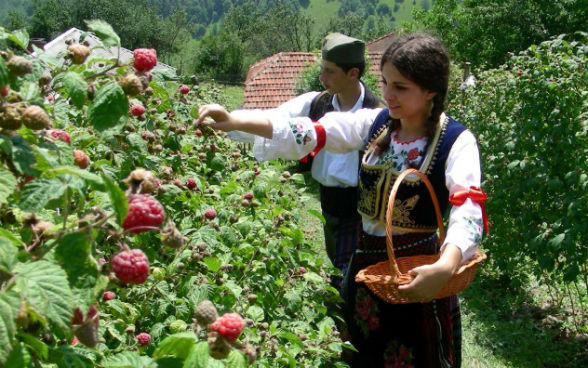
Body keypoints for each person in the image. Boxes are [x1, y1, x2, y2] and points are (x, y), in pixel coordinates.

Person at [198, 33, 488, 367]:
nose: (388, 95)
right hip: (365, 271)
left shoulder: (455, 141)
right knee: (364, 353)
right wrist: (234, 120)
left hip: (421, 276)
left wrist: (446, 266)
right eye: (385, 83)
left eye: (401, 87)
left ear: (431, 90)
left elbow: (468, 206)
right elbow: (311, 131)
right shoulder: (376, 123)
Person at [229, 33, 384, 287]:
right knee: (339, 264)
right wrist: (229, 122)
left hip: (361, 211)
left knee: (351, 278)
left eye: (329, 71)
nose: (322, 77)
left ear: (353, 73)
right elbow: (275, 120)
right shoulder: (315, 103)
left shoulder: (376, 115)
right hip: (328, 203)